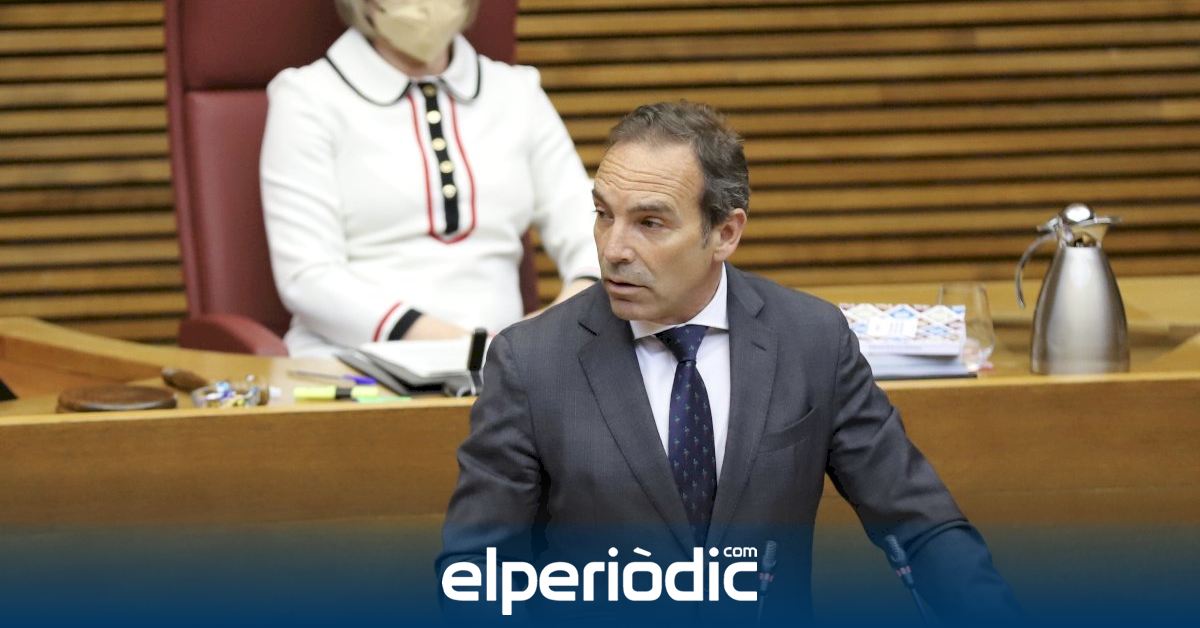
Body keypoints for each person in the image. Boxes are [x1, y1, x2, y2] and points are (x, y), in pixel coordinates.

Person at [437, 101, 1021, 624]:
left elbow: (920, 526)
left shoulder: (812, 341)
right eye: (604, 214)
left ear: (725, 233)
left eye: (649, 222)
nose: (613, 249)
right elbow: (476, 574)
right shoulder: (531, 362)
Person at [260, 0, 598, 357]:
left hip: (501, 368)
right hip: (354, 363)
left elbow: (593, 227)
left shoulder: (517, 91)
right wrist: (467, 347)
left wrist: (557, 320)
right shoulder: (306, 98)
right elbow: (307, 277)